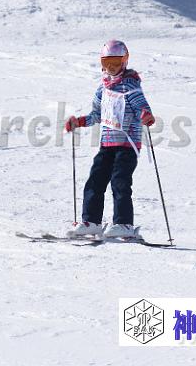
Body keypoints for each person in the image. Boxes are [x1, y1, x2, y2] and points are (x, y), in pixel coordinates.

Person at [64, 40, 155, 239]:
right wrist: (79, 121)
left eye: (115, 62)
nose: (111, 68)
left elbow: (142, 106)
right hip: (107, 145)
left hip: (127, 145)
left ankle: (124, 224)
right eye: (107, 63)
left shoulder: (131, 86)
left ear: (125, 61)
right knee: (95, 180)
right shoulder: (103, 89)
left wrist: (145, 115)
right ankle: (92, 222)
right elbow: (96, 115)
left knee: (120, 182)